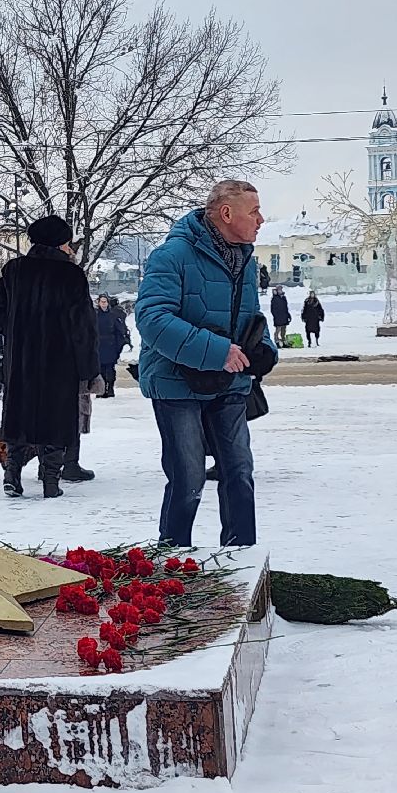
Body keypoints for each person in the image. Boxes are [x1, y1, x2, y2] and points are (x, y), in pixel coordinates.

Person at [136, 180, 275, 547]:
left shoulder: (245, 260)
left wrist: (264, 349)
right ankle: (172, 558)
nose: (261, 219)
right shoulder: (172, 256)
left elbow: (252, 318)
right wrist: (217, 352)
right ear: (226, 214)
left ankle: (241, 558)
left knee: (239, 472)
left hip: (230, 384)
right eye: (254, 211)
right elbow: (152, 320)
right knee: (188, 479)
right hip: (176, 384)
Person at [0, 215, 98, 499]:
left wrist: (12, 330)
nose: (70, 248)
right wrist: (88, 367)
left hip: (21, 360)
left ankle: (12, 475)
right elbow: (83, 326)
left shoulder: (15, 270)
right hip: (60, 362)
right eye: (67, 243)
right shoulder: (71, 275)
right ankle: (50, 482)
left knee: (19, 416)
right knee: (56, 419)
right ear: (59, 243)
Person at [94, 294, 129, 397]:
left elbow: (119, 331)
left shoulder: (113, 315)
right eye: (102, 301)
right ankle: (101, 390)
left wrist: (118, 346)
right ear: (99, 303)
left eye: (105, 301)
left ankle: (110, 389)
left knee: (110, 369)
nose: (103, 304)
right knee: (100, 369)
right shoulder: (95, 315)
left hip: (111, 345)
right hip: (99, 346)